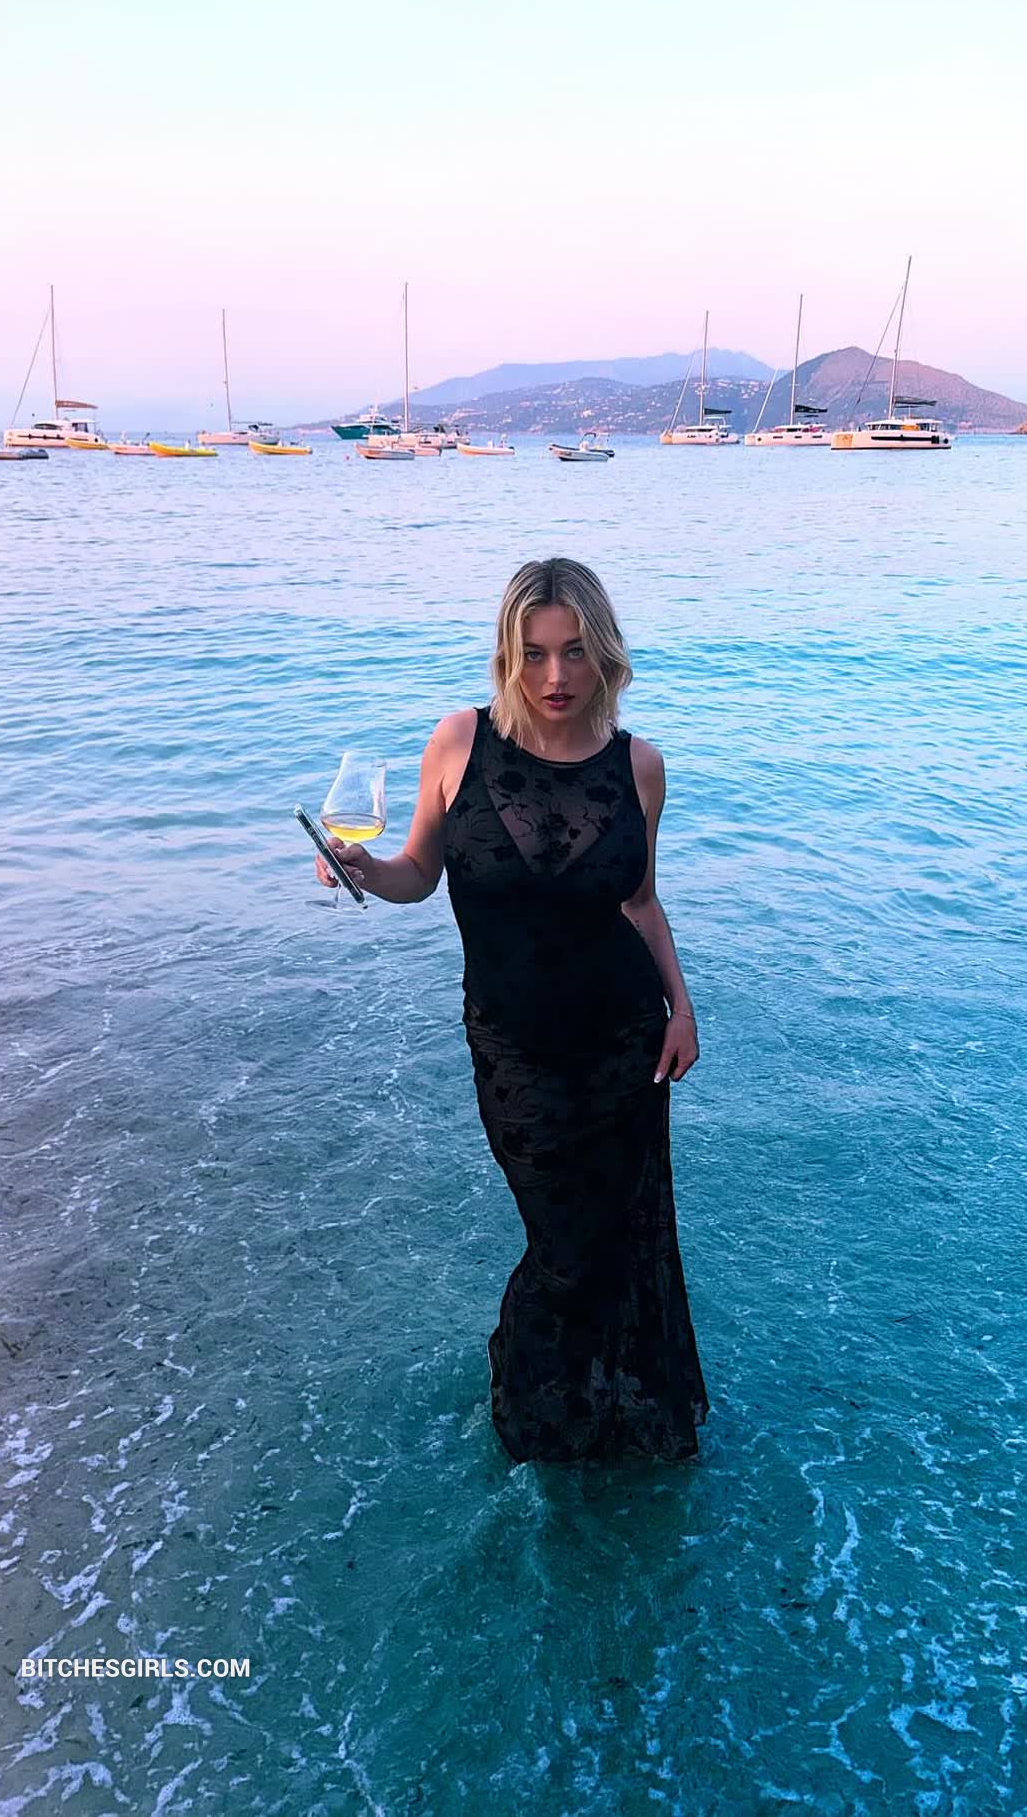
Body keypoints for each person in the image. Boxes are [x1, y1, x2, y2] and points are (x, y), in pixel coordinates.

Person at [317, 557, 709, 1463]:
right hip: (513, 1045)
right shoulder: (460, 741)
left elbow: (640, 902)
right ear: (507, 654)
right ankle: (531, 1412)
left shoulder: (638, 767)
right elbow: (417, 873)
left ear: (604, 654)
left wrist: (682, 1011)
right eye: (533, 654)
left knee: (616, 1235)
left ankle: (614, 1410)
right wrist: (363, 870)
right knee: (563, 1245)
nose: (555, 676)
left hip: (624, 1040)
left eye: (574, 652)